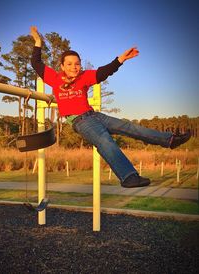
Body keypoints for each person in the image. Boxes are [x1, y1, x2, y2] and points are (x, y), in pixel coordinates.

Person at [30, 26, 191, 188]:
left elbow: (104, 71)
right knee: (105, 141)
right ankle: (128, 177)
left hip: (94, 115)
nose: (74, 67)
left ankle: (170, 140)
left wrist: (121, 59)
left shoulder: (84, 77)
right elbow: (36, 63)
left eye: (77, 64)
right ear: (62, 66)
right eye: (70, 64)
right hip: (81, 122)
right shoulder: (54, 78)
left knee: (129, 126)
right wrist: (38, 42)